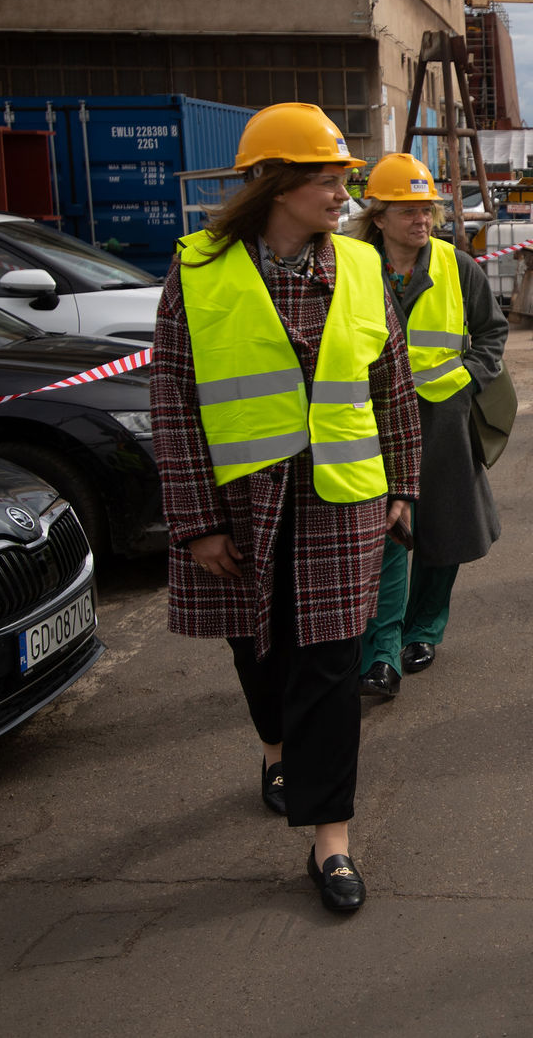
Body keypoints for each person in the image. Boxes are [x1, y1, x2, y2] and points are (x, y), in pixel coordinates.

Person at [149, 102, 422, 913]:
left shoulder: (362, 267)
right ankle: (275, 748)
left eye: (345, 179)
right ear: (273, 183)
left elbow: (393, 386)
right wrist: (197, 523)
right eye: (327, 179)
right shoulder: (197, 270)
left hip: (341, 497)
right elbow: (172, 404)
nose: (344, 194)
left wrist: (402, 486)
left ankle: (331, 839)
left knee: (332, 661)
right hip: (242, 503)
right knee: (260, 649)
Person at [346, 153, 509, 700]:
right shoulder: (353, 266)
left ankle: (423, 631)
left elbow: (492, 333)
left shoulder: (457, 265)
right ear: (378, 216)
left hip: (443, 419)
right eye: (408, 210)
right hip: (372, 418)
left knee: (445, 530)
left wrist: (467, 379)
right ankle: (383, 646)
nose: (422, 220)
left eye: (427, 211)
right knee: (386, 532)